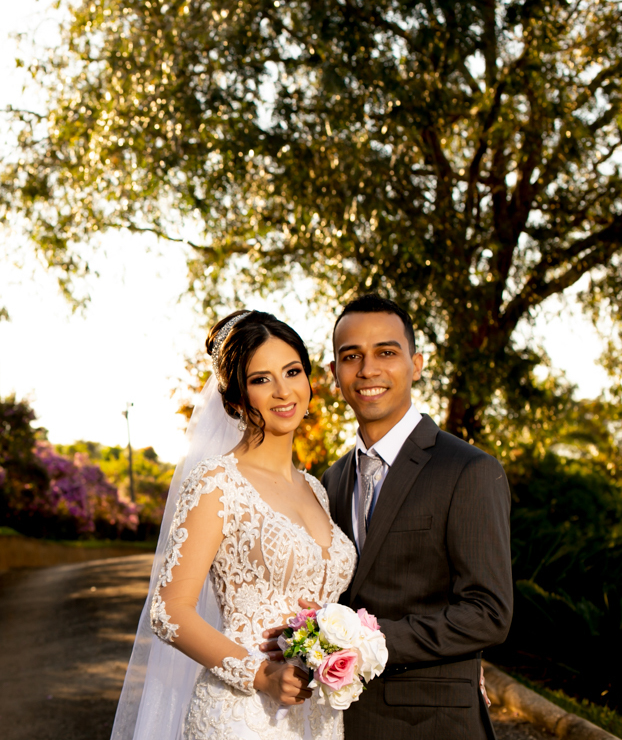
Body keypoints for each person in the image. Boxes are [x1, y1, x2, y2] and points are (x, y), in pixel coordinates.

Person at [264, 294, 512, 739]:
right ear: (334, 373)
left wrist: (364, 643)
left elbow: (488, 613)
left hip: (434, 724)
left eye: (386, 352)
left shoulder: (468, 470)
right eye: (351, 356)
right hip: (343, 720)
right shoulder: (332, 479)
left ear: (416, 365)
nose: (367, 369)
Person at [111, 310, 358, 740]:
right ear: (236, 400)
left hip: (318, 717)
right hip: (243, 715)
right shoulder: (217, 481)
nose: (283, 391)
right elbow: (169, 611)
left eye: (292, 372)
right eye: (261, 379)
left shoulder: (316, 489)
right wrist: (260, 674)